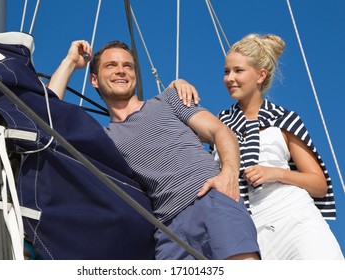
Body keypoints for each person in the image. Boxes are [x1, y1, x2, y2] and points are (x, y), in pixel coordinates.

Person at [48, 40, 261, 260]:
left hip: (211, 200)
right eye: (111, 65)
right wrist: (71, 61)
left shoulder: (168, 99)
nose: (121, 70)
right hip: (167, 231)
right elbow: (45, 115)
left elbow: (221, 132)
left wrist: (228, 174)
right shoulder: (105, 138)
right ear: (94, 79)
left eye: (128, 66)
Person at [215, 33, 344, 259]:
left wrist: (273, 173)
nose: (229, 78)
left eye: (238, 71)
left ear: (260, 75)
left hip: (294, 220)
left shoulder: (283, 119)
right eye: (227, 71)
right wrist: (179, 86)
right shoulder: (218, 124)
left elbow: (318, 184)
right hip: (249, 231)